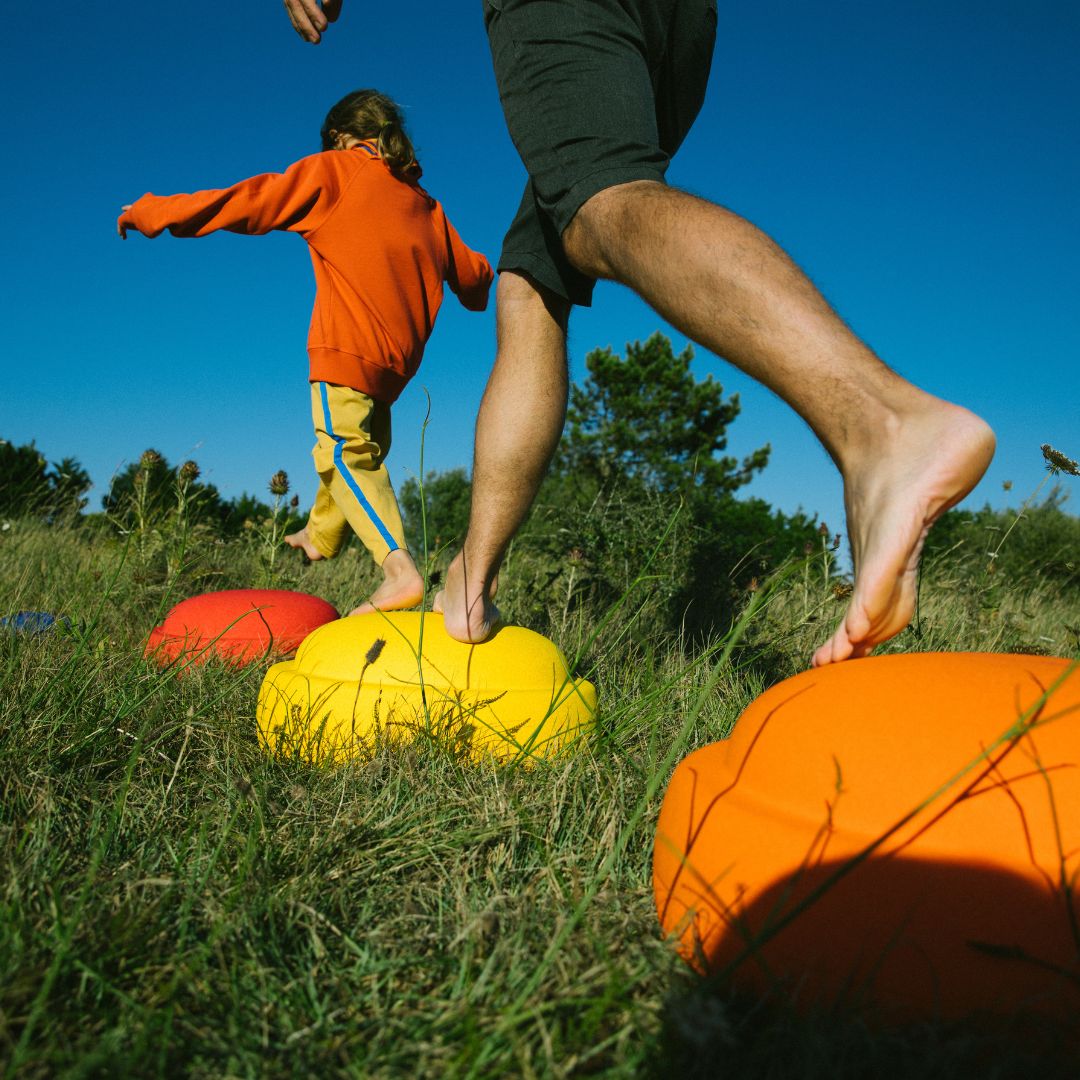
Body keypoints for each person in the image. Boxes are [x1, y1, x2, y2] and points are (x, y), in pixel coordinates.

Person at [282, 1, 995, 666]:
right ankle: (469, 583)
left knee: (601, 201)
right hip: (681, 24)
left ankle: (884, 424)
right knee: (532, 281)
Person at [118, 89, 493, 614]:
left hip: (346, 345)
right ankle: (320, 535)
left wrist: (156, 212)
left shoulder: (336, 170)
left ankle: (399, 570)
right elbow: (476, 280)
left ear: (341, 137)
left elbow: (251, 199)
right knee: (359, 447)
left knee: (342, 450)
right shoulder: (427, 205)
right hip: (397, 365)